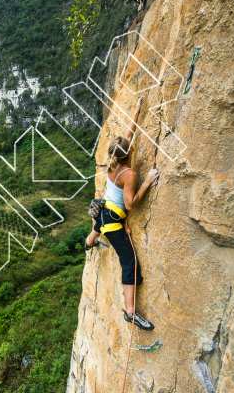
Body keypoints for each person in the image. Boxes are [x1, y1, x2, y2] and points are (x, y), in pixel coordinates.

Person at [84, 96, 159, 331]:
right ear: (130, 152)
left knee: (99, 225)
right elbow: (130, 205)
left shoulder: (115, 159)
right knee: (130, 262)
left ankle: (88, 242)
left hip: (103, 211)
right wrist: (147, 181)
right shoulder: (129, 174)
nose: (132, 142)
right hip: (113, 222)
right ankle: (130, 312)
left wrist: (137, 110)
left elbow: (129, 132)